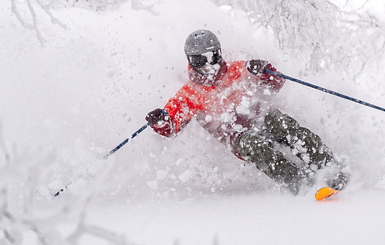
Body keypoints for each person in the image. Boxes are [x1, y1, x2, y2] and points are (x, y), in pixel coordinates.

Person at [145, 29, 348, 195]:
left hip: (261, 116)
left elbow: (276, 83)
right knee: (256, 145)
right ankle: (300, 184)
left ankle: (329, 166)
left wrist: (265, 71)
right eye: (200, 60)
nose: (208, 65)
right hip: (236, 136)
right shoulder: (189, 94)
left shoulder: (237, 70)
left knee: (283, 124)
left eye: (213, 56)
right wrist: (161, 121)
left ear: (219, 53)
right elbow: (171, 126)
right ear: (190, 60)